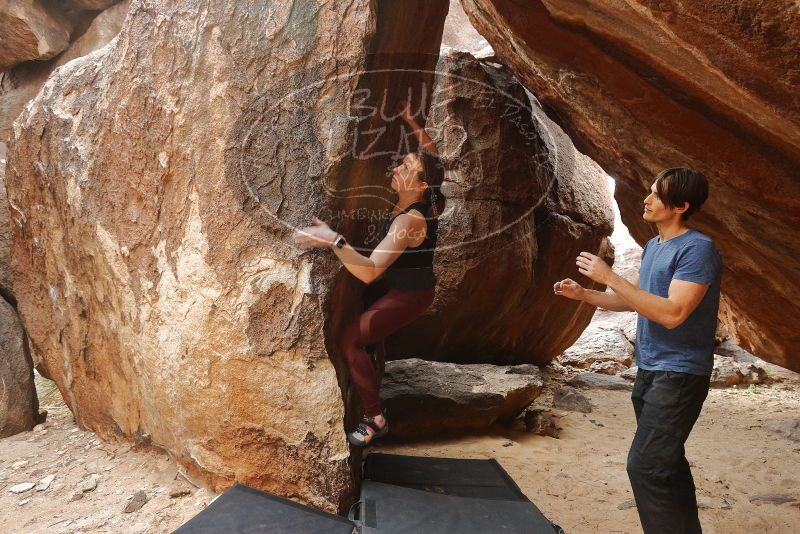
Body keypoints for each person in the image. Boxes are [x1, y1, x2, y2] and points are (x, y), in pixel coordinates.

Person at [553, 168, 722, 533]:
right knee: (666, 462)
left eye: (657, 195)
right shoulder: (654, 247)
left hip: (679, 372)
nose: (646, 200)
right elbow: (636, 302)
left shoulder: (698, 249)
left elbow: (673, 313)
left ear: (681, 206)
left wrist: (609, 276)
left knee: (646, 465)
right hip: (650, 369)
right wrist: (585, 294)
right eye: (650, 191)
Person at [293, 101, 445, 447]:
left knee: (350, 339)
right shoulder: (425, 189)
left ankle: (374, 418)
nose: (395, 168)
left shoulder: (411, 220)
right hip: (400, 284)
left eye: (405, 166)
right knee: (369, 336)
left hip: (410, 295)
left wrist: (334, 240)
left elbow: (370, 271)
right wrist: (410, 121)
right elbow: (433, 155)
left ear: (420, 185)